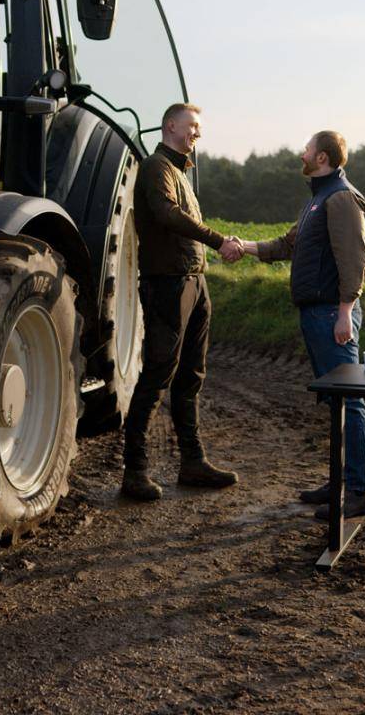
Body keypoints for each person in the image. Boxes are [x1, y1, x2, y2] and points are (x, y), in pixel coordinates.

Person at [233, 130, 365, 519]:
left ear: (323, 157)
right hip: (318, 314)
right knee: (335, 401)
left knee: (349, 400)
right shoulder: (318, 199)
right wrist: (244, 247)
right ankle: (340, 481)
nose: (302, 154)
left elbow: (354, 260)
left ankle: (359, 492)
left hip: (332, 314)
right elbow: (287, 245)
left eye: (308, 150)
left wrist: (345, 311)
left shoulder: (341, 198)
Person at [121, 102, 241, 501]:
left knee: (192, 375)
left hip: (194, 282)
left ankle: (193, 462)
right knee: (158, 374)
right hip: (168, 285)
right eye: (192, 126)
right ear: (170, 126)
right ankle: (135, 471)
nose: (198, 134)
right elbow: (168, 214)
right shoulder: (156, 167)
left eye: (199, 128)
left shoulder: (180, 172)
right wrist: (218, 241)